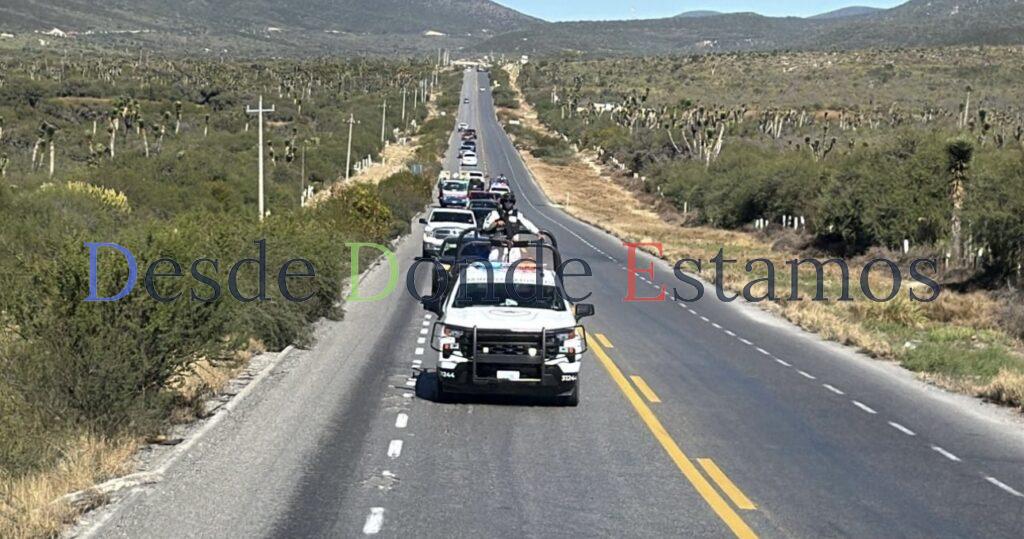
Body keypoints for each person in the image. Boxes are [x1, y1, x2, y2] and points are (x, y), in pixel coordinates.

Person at [482, 193, 540, 263]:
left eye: (510, 202)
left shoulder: (517, 215)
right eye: (506, 201)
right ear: (503, 202)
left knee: (514, 268)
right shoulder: (495, 214)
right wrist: (496, 223)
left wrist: (537, 233)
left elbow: (527, 224)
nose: (508, 203)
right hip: (498, 246)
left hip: (513, 247)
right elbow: (485, 226)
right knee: (494, 266)